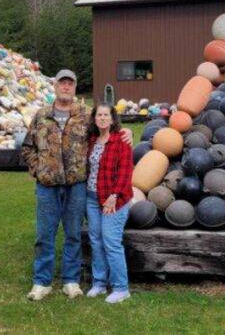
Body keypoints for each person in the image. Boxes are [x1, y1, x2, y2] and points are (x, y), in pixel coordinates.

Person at [21, 69, 132, 301]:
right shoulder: (41, 115)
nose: (66, 87)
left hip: (76, 186)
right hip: (47, 186)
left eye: (70, 83)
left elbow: (107, 126)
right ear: (55, 86)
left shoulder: (85, 115)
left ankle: (71, 281)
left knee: (73, 234)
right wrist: (38, 169)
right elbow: (27, 147)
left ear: (74, 87)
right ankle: (42, 282)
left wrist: (126, 132)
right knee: (45, 234)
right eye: (62, 82)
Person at [85, 103, 133, 303]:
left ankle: (121, 288)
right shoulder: (92, 141)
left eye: (106, 115)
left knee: (111, 242)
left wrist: (113, 196)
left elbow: (125, 172)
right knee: (96, 241)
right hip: (92, 198)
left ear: (112, 119)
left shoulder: (121, 141)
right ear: (94, 119)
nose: (102, 118)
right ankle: (99, 283)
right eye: (99, 115)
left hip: (115, 199)